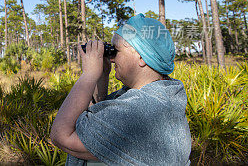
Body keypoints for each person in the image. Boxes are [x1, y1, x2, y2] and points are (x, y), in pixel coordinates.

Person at [50, 14, 191, 165]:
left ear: (141, 56)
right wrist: (102, 76)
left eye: (115, 50)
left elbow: (61, 136)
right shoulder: (163, 96)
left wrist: (89, 75)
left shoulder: (139, 109)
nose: (111, 58)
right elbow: (98, 116)